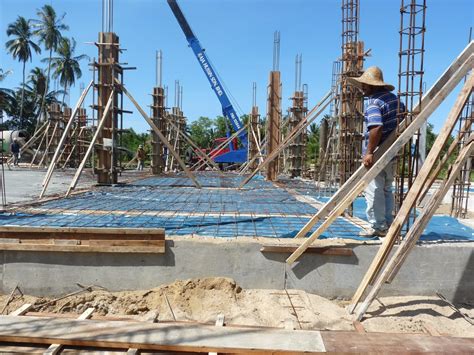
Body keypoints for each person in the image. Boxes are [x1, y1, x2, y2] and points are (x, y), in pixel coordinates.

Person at [347, 66, 403, 237]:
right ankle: (387, 222)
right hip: (392, 150)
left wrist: (369, 152)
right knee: (387, 188)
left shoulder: (373, 104)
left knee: (374, 189)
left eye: (365, 85)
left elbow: (376, 128)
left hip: (378, 152)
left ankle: (378, 226)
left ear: (373, 86)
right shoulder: (395, 100)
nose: (363, 88)